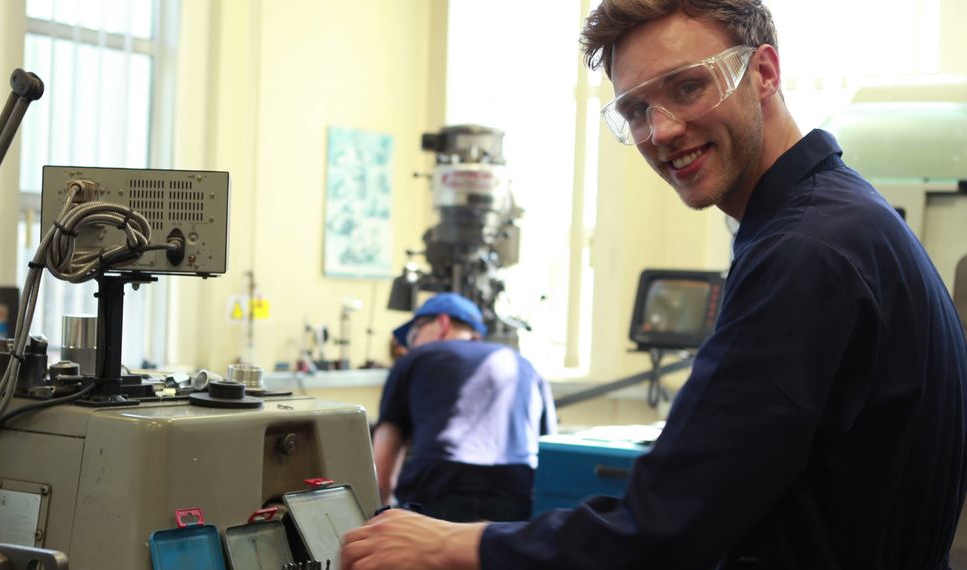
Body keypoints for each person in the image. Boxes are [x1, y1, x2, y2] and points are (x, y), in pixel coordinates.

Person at [342, 0, 967, 568]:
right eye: (636, 109)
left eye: (688, 86)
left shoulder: (804, 252)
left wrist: (450, 543)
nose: (661, 131)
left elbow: (663, 532)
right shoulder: (845, 215)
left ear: (764, 73)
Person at [372, 292, 557, 523]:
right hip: (516, 486)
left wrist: (382, 509)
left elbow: (385, 455)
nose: (413, 344)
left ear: (442, 323)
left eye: (414, 334)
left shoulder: (415, 358)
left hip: (440, 484)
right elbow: (549, 446)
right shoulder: (524, 364)